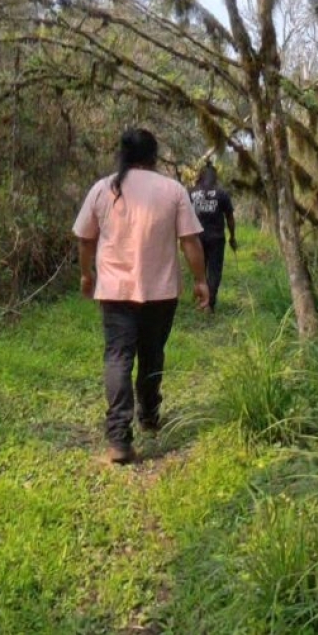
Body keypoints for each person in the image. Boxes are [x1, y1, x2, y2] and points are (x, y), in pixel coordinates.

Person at [73, 128, 210, 465]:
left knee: (118, 356)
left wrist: (87, 273)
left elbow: (85, 239)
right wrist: (201, 281)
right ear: (154, 155)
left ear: (122, 154)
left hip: (116, 291)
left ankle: (119, 438)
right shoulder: (173, 190)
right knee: (152, 354)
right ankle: (148, 414)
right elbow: (190, 242)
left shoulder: (104, 188)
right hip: (161, 292)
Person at [189, 162, 236, 314]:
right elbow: (230, 217)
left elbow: (185, 216)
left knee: (199, 271)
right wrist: (232, 237)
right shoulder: (222, 193)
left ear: (200, 176)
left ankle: (201, 301)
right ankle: (209, 304)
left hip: (197, 238)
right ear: (215, 177)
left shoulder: (191, 193)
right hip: (216, 238)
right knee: (214, 272)